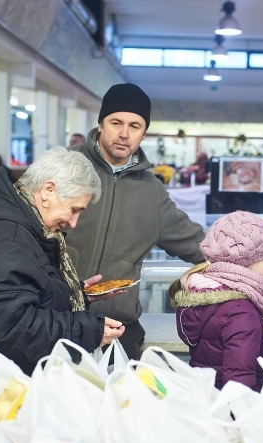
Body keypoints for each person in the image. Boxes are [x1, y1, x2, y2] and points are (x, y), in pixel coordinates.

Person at [0, 146, 125, 375]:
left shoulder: (19, 231)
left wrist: (76, 294)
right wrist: (88, 330)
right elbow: (13, 327)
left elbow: (20, 296)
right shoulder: (8, 242)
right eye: (74, 209)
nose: (74, 222)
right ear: (48, 190)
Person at [66, 83, 205, 359]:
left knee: (121, 401)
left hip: (119, 329)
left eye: (135, 125)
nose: (124, 134)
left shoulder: (151, 191)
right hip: (54, 319)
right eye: (116, 122)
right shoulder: (64, 168)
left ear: (144, 133)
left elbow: (197, 244)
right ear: (101, 124)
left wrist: (249, 259)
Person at [169, 211, 263, 391]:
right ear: (245, 262)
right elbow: (239, 382)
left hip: (209, 402)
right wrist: (243, 418)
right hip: (235, 413)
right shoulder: (241, 314)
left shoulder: (207, 300)